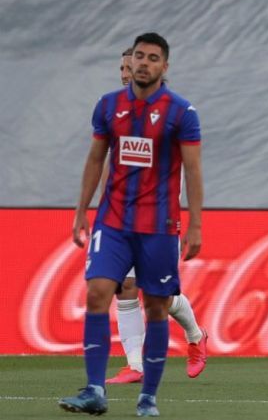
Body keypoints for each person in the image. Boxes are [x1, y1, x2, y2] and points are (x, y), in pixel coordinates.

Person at [59, 32, 204, 416]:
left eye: (151, 58)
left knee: (157, 305)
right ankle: (95, 388)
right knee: (99, 292)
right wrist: (81, 210)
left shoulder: (181, 113)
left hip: (158, 224)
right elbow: (96, 159)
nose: (141, 64)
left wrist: (196, 224)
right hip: (115, 220)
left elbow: (192, 170)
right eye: (136, 57)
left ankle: (150, 396)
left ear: (164, 66)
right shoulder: (108, 107)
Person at [105, 47, 209, 386]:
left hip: (160, 217)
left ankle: (196, 336)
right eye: (123, 66)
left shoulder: (173, 113)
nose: (126, 72)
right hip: (123, 217)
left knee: (157, 296)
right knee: (125, 287)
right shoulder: (116, 112)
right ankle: (134, 365)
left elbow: (188, 166)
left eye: (131, 65)